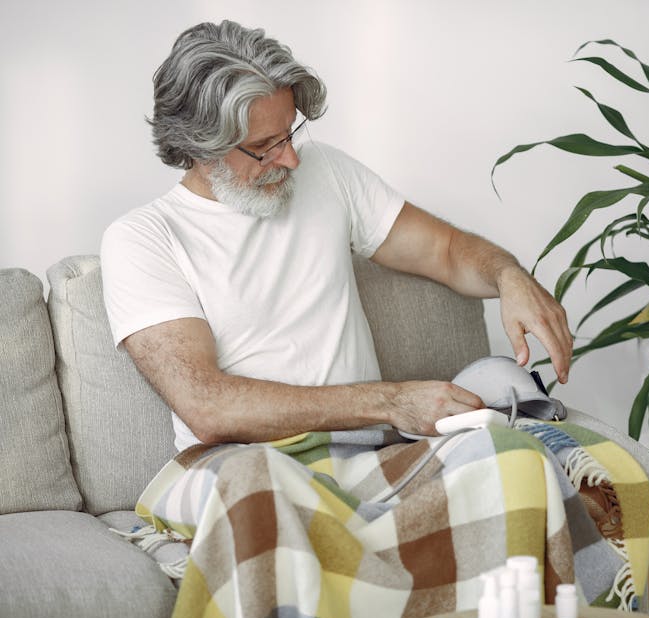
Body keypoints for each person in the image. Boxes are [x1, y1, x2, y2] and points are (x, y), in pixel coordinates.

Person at [101, 20, 573, 452]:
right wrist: (390, 402)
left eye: (290, 133)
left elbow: (445, 252)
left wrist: (509, 275)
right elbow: (208, 406)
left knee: (539, 466)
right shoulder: (143, 240)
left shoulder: (326, 171)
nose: (291, 160)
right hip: (241, 467)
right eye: (265, 147)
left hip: (366, 459)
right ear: (199, 147)